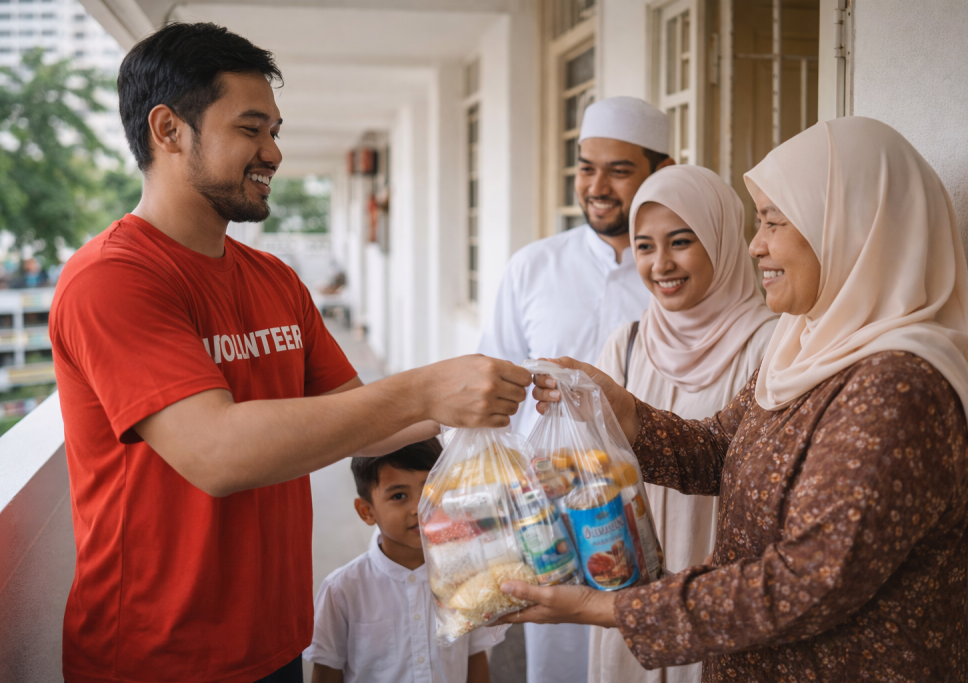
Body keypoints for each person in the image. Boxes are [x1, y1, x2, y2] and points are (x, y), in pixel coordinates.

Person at [51, 23, 531, 683]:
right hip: (154, 655)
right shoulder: (113, 279)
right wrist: (424, 389)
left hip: (276, 639)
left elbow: (363, 415)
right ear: (168, 130)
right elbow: (215, 452)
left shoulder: (272, 280)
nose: (273, 152)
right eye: (250, 129)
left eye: (274, 130)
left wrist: (510, 396)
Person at [500, 116, 968, 682]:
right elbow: (722, 448)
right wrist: (627, 413)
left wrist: (611, 608)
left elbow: (807, 580)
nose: (756, 244)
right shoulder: (803, 343)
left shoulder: (897, 387)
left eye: (773, 222)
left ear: (849, 228)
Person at [477, 95, 673, 683]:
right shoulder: (533, 267)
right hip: (549, 509)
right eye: (587, 167)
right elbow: (492, 387)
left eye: (619, 170)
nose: (597, 186)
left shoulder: (677, 271)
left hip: (654, 502)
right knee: (558, 660)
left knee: (645, 653)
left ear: (660, 173)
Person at [588, 165, 777, 683]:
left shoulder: (772, 346)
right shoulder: (625, 346)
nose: (661, 264)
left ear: (720, 238)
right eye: (644, 247)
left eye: (680, 241)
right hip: (633, 581)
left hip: (723, 586)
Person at [304, 439, 501, 683]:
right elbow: (326, 672)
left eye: (431, 490)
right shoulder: (342, 590)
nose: (420, 508)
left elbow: (476, 658)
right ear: (367, 511)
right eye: (399, 495)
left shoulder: (467, 576)